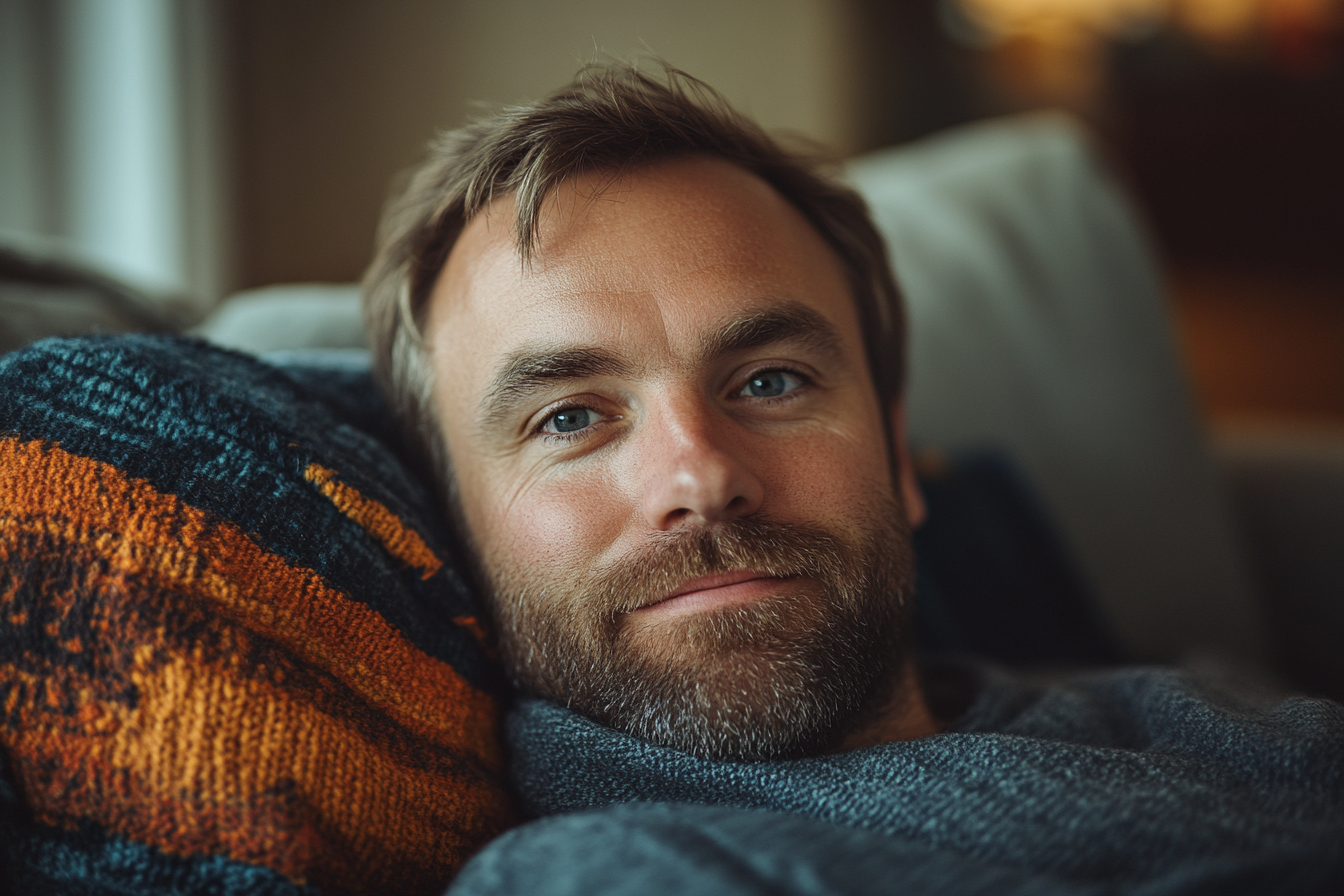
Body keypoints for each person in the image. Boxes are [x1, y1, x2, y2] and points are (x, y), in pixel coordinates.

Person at [363, 63, 1343, 894]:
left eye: (770, 379)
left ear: (897, 451)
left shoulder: (1204, 711)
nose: (701, 473)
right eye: (570, 416)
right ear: (453, 525)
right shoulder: (602, 870)